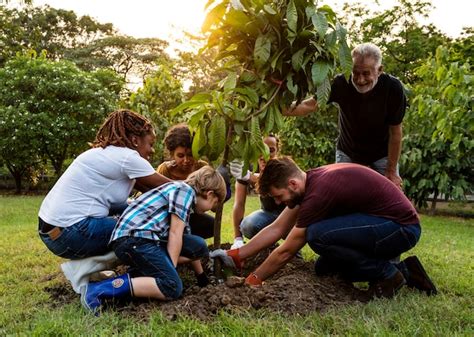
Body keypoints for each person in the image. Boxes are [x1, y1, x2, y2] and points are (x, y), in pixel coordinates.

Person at [212, 157, 437, 299]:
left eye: (278, 197)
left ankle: (388, 275)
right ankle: (407, 272)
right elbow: (277, 228)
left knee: (318, 235)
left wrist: (254, 279)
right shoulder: (307, 182)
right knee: (324, 268)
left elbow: (286, 251)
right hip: (381, 225)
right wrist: (236, 255)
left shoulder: (317, 194)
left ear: (292, 184)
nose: (278, 203)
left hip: (400, 227)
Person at [38, 109, 170, 292]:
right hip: (71, 232)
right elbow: (173, 190)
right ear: (135, 141)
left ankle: (90, 268)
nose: (152, 150)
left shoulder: (102, 153)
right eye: (151, 143)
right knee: (142, 228)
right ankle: (83, 269)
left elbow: (138, 198)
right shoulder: (128, 157)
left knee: (132, 214)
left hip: (53, 232)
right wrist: (204, 184)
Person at [81, 166, 227, 313]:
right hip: (135, 239)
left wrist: (201, 276)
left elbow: (184, 239)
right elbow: (175, 234)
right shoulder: (184, 191)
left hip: (142, 241)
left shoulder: (184, 200)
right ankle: (97, 290)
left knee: (198, 245)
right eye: (214, 204)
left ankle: (135, 278)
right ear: (209, 194)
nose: (211, 209)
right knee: (172, 286)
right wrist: (170, 270)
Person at [284, 43, 406, 188]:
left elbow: (396, 132)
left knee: (391, 196)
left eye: (366, 73)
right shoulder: (340, 83)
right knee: (341, 195)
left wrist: (391, 171)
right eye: (355, 73)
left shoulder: (393, 88)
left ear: (379, 70)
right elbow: (309, 105)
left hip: (382, 155)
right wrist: (276, 108)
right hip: (348, 152)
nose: (360, 80)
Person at [156, 123, 230, 239]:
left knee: (211, 225)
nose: (186, 160)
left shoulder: (202, 168)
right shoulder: (165, 170)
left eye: (190, 155)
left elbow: (214, 207)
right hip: (168, 216)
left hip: (192, 216)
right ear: (172, 155)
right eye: (180, 156)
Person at [230, 134, 285, 249]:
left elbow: (272, 179)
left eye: (271, 150)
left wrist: (250, 177)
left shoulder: (283, 166)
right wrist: (238, 238)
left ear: (277, 151)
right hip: (267, 213)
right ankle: (269, 245)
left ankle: (293, 250)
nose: (265, 155)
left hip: (289, 215)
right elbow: (239, 203)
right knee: (248, 225)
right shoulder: (248, 168)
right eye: (260, 149)